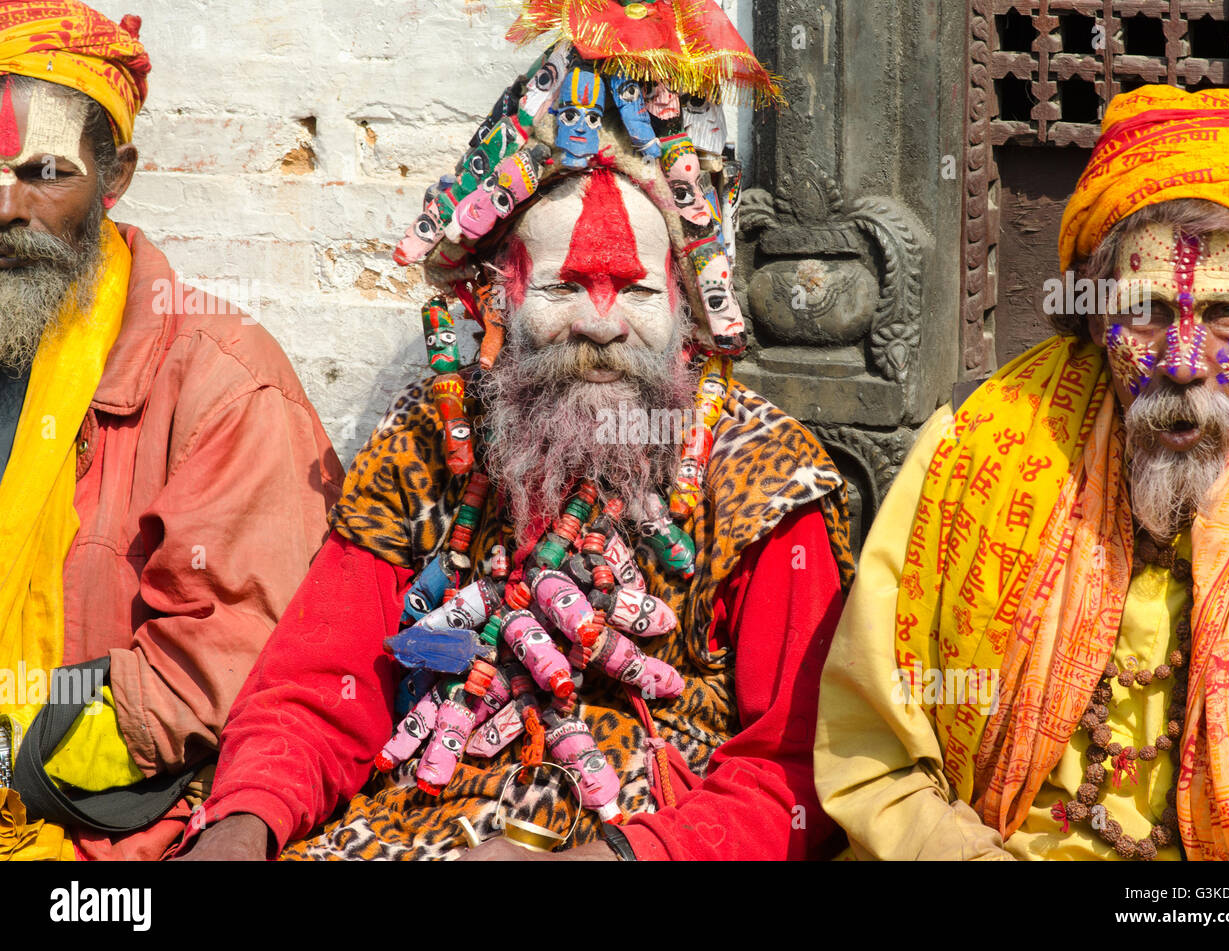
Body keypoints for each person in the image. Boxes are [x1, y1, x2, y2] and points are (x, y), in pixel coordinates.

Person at [180, 0, 855, 861]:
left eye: (639, 294)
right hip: (414, 821)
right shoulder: (436, 438)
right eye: (566, 289)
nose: (603, 328)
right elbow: (319, 689)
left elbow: (799, 768)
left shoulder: (761, 471)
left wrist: (616, 859)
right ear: (500, 295)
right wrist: (245, 822)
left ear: (688, 308)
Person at [815, 86, 1229, 861]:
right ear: (1099, 318)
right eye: (1145, 312)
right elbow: (875, 756)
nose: (1182, 362)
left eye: (1223, 317)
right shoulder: (975, 446)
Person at [0, 2, 342, 860]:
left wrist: (15, 757)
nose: (4, 205)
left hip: (84, 836)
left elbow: (208, 670)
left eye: (42, 170)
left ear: (115, 177)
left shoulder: (223, 384)